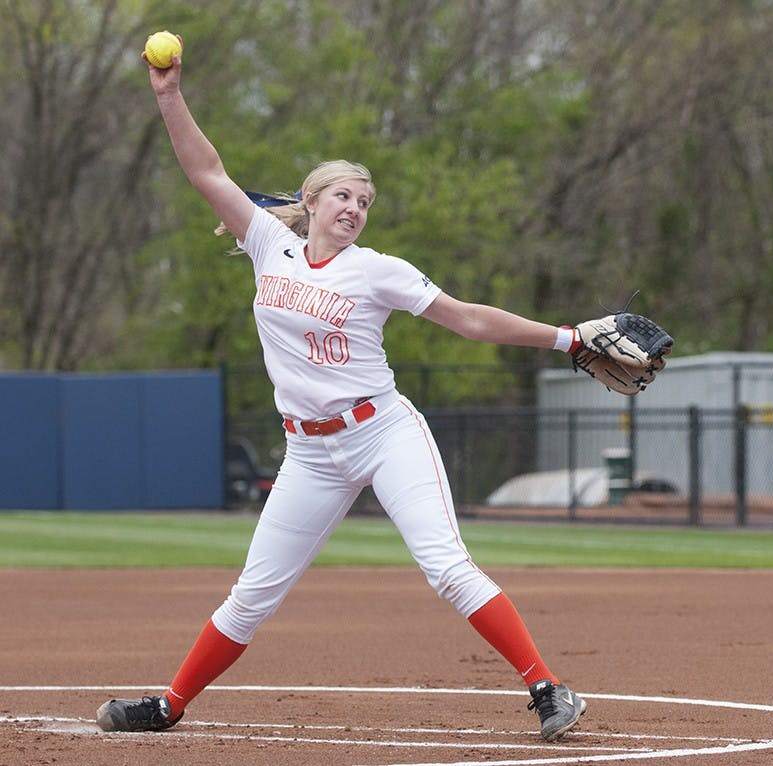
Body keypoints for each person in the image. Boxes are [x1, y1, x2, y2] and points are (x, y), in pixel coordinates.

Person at [96, 40, 587, 743]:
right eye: (343, 195)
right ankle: (169, 705)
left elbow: (470, 320)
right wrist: (169, 96)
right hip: (309, 453)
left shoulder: (377, 269)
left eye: (364, 200)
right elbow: (206, 171)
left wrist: (569, 339)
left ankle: (547, 688)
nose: (355, 206)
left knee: (446, 567)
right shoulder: (267, 244)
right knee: (252, 594)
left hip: (382, 432)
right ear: (312, 201)